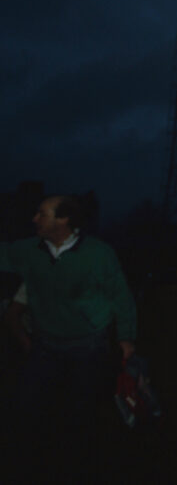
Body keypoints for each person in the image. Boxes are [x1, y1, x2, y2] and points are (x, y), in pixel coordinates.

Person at [0, 195, 137, 468]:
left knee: (81, 410)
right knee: (27, 403)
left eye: (42, 214)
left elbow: (120, 296)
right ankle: (30, 462)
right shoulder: (29, 250)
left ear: (63, 219)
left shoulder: (98, 253)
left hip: (88, 345)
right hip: (46, 345)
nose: (34, 219)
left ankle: (80, 464)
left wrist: (126, 337)